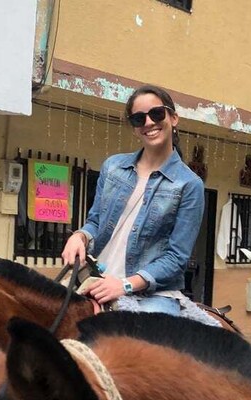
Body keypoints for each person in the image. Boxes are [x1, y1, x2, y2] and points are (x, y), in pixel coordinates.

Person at [61, 85, 205, 317]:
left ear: (174, 118)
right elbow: (96, 222)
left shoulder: (189, 184)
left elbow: (176, 258)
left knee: (148, 347)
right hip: (95, 279)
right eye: (139, 118)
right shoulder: (113, 166)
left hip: (153, 294)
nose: (148, 122)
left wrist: (124, 285)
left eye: (156, 114)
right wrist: (79, 236)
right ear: (135, 128)